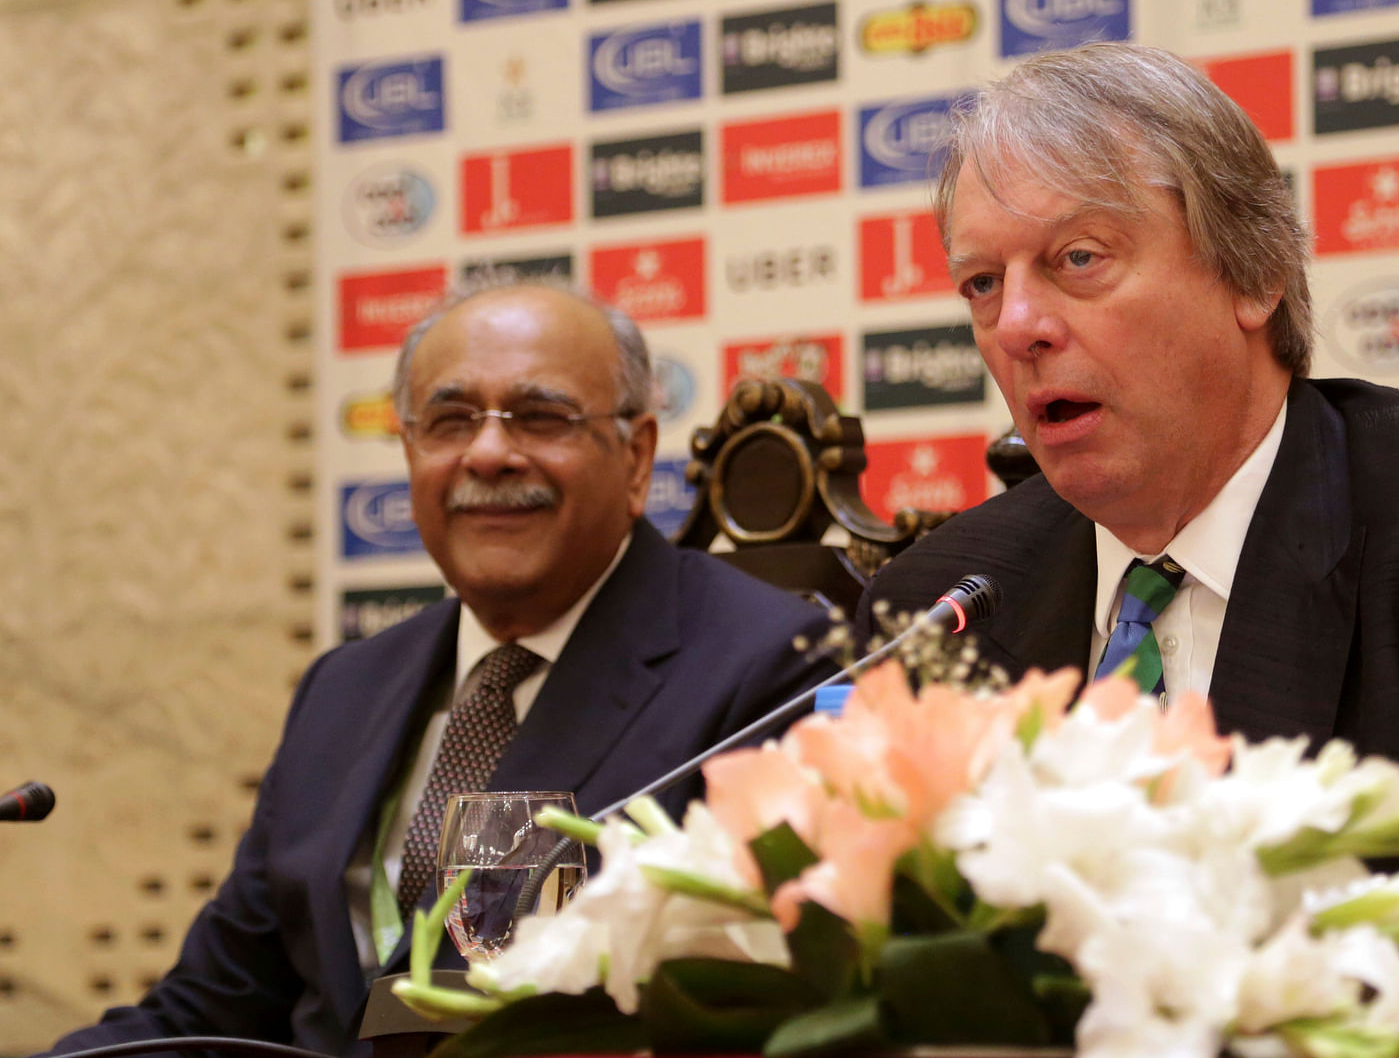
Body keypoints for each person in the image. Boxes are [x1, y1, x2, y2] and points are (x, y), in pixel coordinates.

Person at [858, 42, 1399, 1035]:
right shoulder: (938, 605)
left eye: (1076, 260)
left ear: (1257, 274)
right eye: (982, 283)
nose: (1018, 323)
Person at [46, 281, 830, 1053]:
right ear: (410, 450)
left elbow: (769, 1010)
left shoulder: (765, 668)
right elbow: (213, 1009)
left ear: (636, 457)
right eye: (450, 421)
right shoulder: (342, 690)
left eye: (540, 415)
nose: (488, 453)